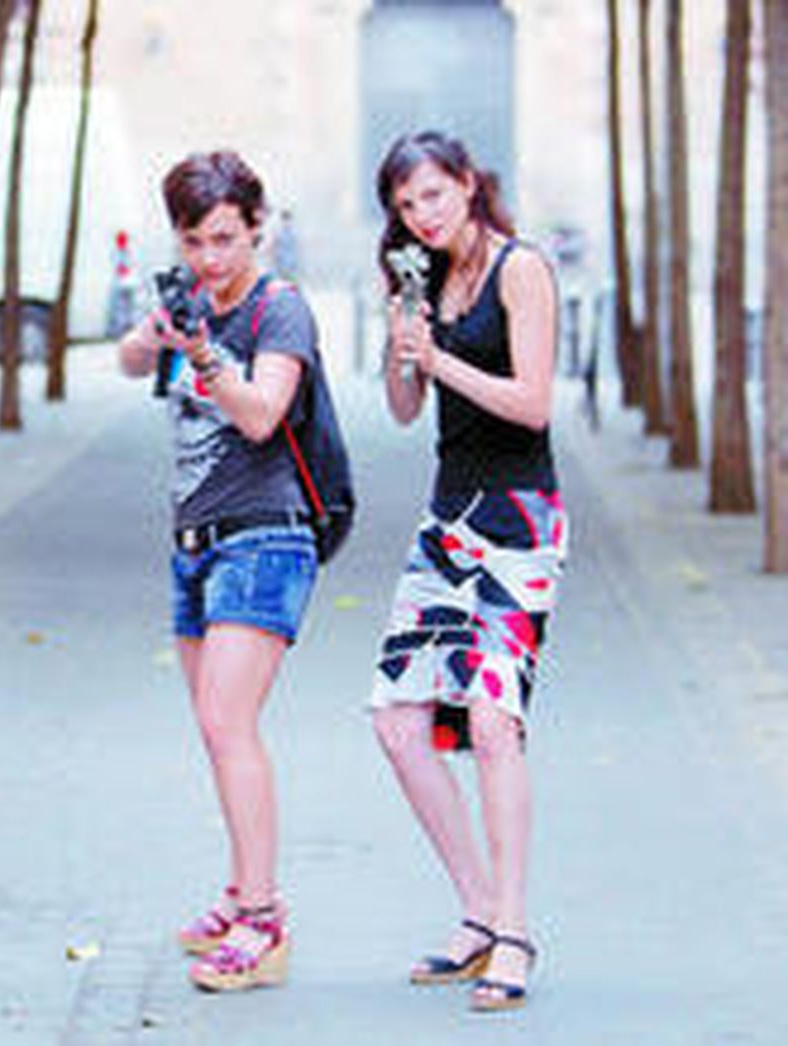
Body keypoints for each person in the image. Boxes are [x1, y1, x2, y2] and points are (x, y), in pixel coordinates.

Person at [371, 130, 568, 1012]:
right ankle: (478, 910)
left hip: (520, 519)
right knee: (400, 721)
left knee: (493, 723)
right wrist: (402, 340)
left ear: (468, 186)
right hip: (446, 520)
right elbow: (407, 409)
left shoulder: (518, 270)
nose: (422, 215)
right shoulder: (424, 281)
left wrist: (444, 358)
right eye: (407, 206)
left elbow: (532, 405)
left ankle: (515, 928)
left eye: (434, 196)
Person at [117, 151, 322, 992]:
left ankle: (265, 921)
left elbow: (264, 415)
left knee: (227, 722)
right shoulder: (193, 300)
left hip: (266, 538)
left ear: (257, 229)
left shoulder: (282, 311)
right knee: (215, 728)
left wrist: (205, 355)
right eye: (197, 241)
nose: (212, 258)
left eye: (228, 239)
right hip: (195, 544)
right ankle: (241, 895)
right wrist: (159, 331)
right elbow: (131, 363)